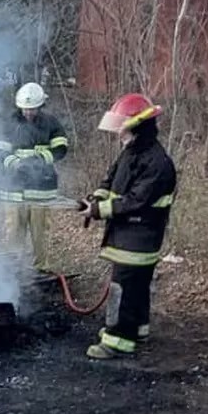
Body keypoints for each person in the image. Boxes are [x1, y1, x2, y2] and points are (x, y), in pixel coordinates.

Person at [79, 93, 177, 360]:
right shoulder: (132, 151)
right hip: (129, 234)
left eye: (121, 127)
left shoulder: (157, 163)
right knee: (137, 288)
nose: (118, 133)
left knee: (122, 287)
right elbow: (111, 179)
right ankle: (137, 330)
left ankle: (117, 340)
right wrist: (97, 197)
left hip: (140, 237)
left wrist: (98, 211)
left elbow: (135, 201)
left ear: (137, 126)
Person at [0, 82, 69, 273]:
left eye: (32, 109)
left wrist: (40, 160)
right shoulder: (10, 124)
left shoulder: (51, 124)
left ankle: (41, 269)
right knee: (13, 233)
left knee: (40, 235)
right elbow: (0, 153)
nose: (28, 112)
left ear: (40, 106)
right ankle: (13, 271)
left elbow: (61, 149)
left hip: (41, 190)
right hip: (13, 190)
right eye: (25, 109)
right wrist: (15, 163)